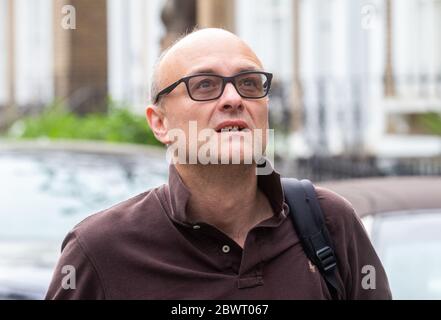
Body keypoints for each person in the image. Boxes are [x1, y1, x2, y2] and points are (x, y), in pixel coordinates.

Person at [45, 28, 392, 299]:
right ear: (159, 123)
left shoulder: (330, 222)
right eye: (205, 84)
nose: (234, 99)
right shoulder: (100, 250)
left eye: (249, 83)